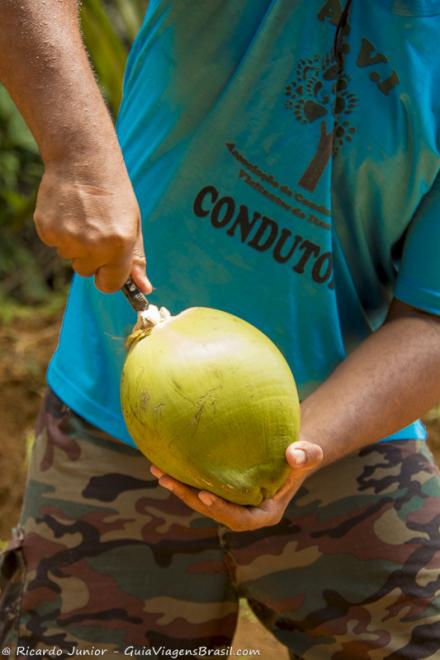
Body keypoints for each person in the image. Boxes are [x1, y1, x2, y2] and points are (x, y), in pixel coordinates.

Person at [1, 0, 440, 657]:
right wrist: (76, 155)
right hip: (113, 425)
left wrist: (298, 450)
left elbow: (431, 323)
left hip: (346, 434)